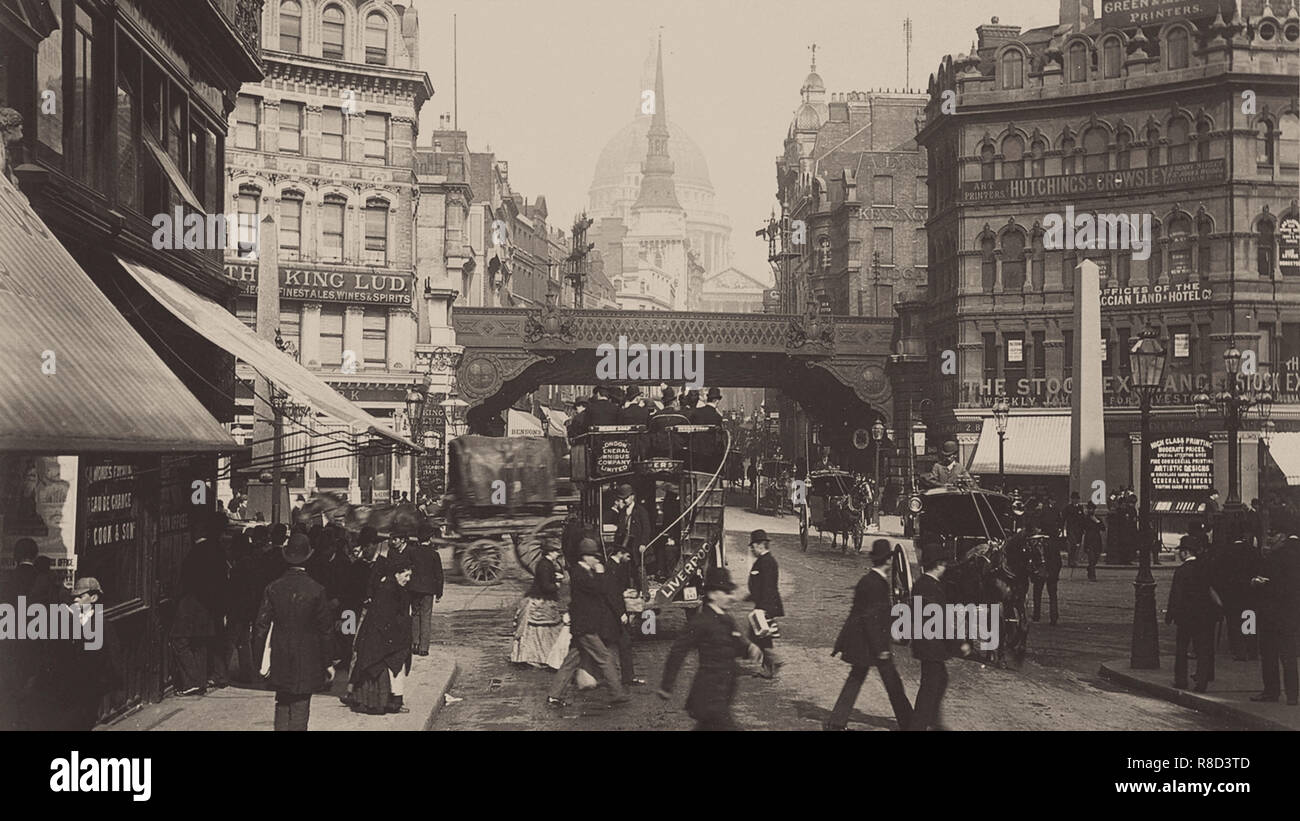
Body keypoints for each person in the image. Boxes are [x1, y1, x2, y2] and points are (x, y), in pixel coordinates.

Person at [657, 567, 763, 730]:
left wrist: (749, 649)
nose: (730, 597)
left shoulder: (726, 618)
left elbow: (735, 643)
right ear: (713, 594)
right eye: (725, 592)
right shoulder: (700, 621)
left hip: (723, 692)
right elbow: (678, 651)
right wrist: (667, 685)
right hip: (709, 694)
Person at [826, 539, 914, 730]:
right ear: (888, 561)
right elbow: (871, 619)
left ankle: (836, 722)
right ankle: (910, 723)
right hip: (871, 643)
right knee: (892, 683)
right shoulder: (876, 584)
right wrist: (882, 648)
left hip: (862, 641)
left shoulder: (869, 580)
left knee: (856, 679)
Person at [252, 534, 334, 730]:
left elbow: (260, 627)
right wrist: (328, 662)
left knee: (282, 701)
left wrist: (259, 660)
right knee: (300, 703)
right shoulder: (317, 590)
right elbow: (326, 631)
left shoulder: (272, 588)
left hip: (280, 654)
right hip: (308, 657)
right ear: (308, 557)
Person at [547, 538, 628, 709]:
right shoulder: (579, 573)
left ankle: (554, 695)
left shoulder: (583, 571)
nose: (596, 560)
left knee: (571, 662)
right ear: (585, 557)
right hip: (585, 627)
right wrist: (599, 573)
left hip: (583, 625)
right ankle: (617, 693)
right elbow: (598, 589)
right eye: (594, 557)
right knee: (605, 658)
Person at [348, 550, 414, 715]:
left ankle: (395, 699)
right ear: (397, 574)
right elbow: (388, 620)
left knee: (398, 654)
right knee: (398, 656)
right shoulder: (389, 590)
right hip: (378, 640)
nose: (408, 579)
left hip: (379, 638)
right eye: (406, 575)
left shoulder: (392, 587)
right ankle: (394, 700)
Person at [171, 511, 228, 695]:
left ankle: (192, 681)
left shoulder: (197, 551)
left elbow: (185, 580)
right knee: (201, 644)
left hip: (191, 605)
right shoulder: (218, 550)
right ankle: (200, 680)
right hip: (209, 607)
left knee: (180, 641)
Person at [909, 538, 956, 731]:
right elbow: (940, 620)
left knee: (938, 680)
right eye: (943, 565)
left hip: (928, 643)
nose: (945, 568)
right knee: (930, 686)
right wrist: (955, 642)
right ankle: (919, 725)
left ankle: (931, 720)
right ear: (937, 566)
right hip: (931, 645)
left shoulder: (925, 584)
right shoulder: (930, 587)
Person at [1250, 523, 1300, 705]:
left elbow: (1279, 586)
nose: (1269, 538)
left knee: (1269, 655)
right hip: (1290, 615)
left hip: (1271, 615)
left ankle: (1271, 691)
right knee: (1289, 656)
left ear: (1283, 537)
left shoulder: (1275, 557)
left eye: (1273, 534)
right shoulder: (1294, 555)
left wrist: (1259, 583)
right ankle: (1293, 695)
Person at [1166, 537, 1220, 693]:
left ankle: (1181, 680)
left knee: (1182, 648)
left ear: (1185, 552)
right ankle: (1202, 682)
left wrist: (1170, 615)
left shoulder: (1182, 571)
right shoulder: (1206, 568)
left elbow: (1176, 595)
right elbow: (1212, 590)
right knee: (1203, 649)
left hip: (1186, 617)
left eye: (1180, 552)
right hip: (1204, 615)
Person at [512, 543, 565, 667]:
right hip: (540, 601)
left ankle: (540, 656)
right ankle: (538, 657)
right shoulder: (545, 565)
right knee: (541, 630)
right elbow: (546, 586)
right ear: (550, 552)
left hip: (542, 600)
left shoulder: (546, 564)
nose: (557, 554)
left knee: (541, 631)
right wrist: (556, 583)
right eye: (556, 551)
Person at [745, 529, 783, 679]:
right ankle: (768, 667)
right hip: (764, 604)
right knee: (762, 636)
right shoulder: (765, 560)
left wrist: (762, 609)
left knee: (759, 635)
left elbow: (767, 586)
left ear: (760, 545)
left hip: (765, 605)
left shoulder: (766, 562)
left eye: (753, 546)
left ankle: (775, 661)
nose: (752, 550)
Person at [606, 545, 645, 687]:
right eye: (627, 556)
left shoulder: (614, 566)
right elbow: (612, 594)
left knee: (624, 642)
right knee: (609, 645)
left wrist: (625, 592)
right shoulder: (611, 567)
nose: (628, 559)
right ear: (620, 553)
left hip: (614, 613)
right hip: (612, 614)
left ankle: (628, 677)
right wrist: (621, 613)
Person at [407, 521, 444, 657]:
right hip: (428, 591)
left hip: (414, 589)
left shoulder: (412, 552)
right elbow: (439, 575)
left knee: (415, 615)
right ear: (430, 538)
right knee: (426, 617)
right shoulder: (434, 554)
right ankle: (424, 648)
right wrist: (439, 592)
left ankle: (414, 644)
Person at [613, 483, 652, 579]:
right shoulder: (623, 512)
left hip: (637, 544)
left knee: (639, 569)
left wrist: (643, 543)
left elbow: (647, 529)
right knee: (627, 570)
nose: (624, 500)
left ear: (632, 497)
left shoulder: (641, 511)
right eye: (623, 498)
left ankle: (643, 591)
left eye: (626, 498)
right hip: (626, 544)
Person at [1082, 501, 1105, 581]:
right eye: (1089, 509)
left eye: (1092, 509)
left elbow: (1103, 528)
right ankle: (1092, 575)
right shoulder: (1085, 519)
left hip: (1097, 540)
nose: (1091, 510)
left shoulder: (1098, 518)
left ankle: (1090, 568)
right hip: (1089, 540)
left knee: (1096, 557)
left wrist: (1096, 521)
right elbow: (1083, 528)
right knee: (1091, 558)